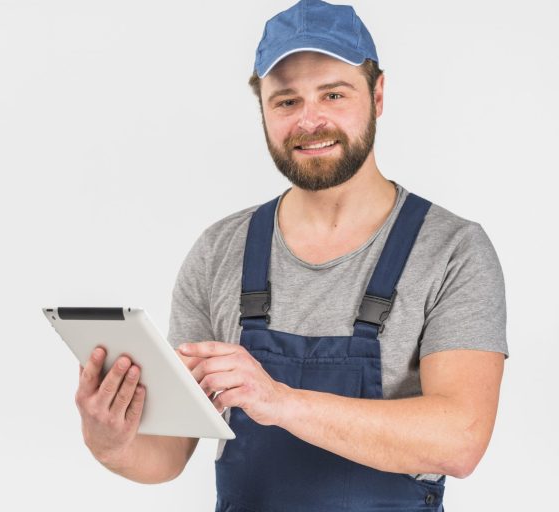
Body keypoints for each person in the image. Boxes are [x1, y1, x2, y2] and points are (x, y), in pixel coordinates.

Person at [73, 1, 508, 510]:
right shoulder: (219, 252)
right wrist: (109, 439)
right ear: (262, 109)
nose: (310, 120)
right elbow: (167, 453)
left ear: (378, 95)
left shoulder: (452, 250)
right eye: (286, 101)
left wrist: (279, 401)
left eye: (333, 94)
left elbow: (460, 439)